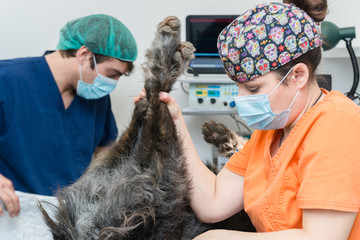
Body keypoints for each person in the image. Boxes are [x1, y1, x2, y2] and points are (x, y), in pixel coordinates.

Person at [155, 0, 360, 239]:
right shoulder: (269, 132)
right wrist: (176, 123)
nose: (240, 99)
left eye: (253, 89)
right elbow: (212, 202)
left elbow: (322, 236)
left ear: (298, 76)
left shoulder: (337, 124)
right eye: (239, 87)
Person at [0, 14, 137, 218]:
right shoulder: (7, 80)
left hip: (68, 217)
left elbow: (105, 150)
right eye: (111, 74)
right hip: (11, 214)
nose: (112, 84)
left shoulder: (95, 96)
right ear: (84, 54)